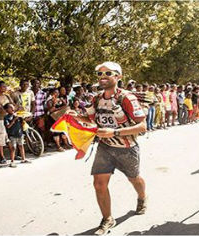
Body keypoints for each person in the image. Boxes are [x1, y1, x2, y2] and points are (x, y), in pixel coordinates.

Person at [68, 61, 147, 235]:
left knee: (134, 179)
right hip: (105, 148)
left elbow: (142, 127)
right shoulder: (96, 99)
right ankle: (108, 219)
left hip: (127, 148)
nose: (103, 77)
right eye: (99, 74)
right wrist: (78, 117)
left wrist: (114, 132)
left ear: (118, 77)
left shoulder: (127, 98)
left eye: (108, 73)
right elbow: (91, 119)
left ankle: (142, 197)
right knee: (99, 184)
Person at [3, 103, 31, 168]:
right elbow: (8, 126)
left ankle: (23, 159)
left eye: (13, 107)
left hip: (19, 133)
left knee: (21, 146)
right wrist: (14, 120)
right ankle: (12, 161)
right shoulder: (6, 117)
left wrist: (27, 117)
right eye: (10, 107)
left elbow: (23, 121)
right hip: (12, 135)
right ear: (7, 110)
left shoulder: (18, 115)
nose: (12, 108)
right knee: (13, 148)